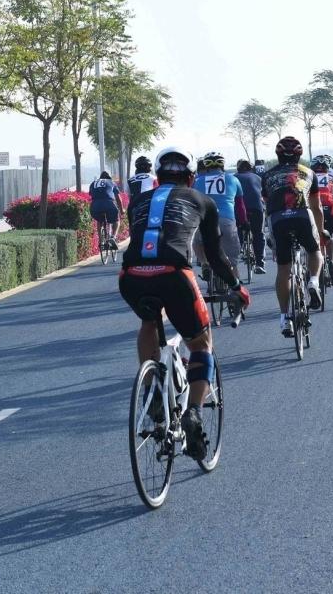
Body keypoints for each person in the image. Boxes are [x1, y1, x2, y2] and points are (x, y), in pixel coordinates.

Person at [119, 147, 250, 459]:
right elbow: (215, 256)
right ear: (191, 178)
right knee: (202, 344)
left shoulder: (138, 201)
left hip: (131, 276)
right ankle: (193, 412)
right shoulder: (202, 201)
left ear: (157, 176)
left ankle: (151, 389)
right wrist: (236, 287)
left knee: (149, 321)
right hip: (174, 275)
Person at [261, 136, 325, 336]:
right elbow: (317, 207)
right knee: (314, 251)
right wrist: (321, 231)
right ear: (299, 155)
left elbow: (267, 205)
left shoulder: (267, 175)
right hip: (302, 216)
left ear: (278, 154)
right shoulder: (309, 173)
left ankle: (284, 317)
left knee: (283, 269)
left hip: (278, 219)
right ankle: (313, 281)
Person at [192, 152, 245, 282]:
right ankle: (235, 287)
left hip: (205, 220)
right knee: (232, 263)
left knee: (197, 242)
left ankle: (204, 263)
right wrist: (244, 222)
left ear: (206, 166)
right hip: (227, 221)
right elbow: (240, 206)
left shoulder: (197, 181)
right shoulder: (233, 179)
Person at [311, 155, 333, 286]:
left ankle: (317, 266)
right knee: (329, 237)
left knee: (313, 241)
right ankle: (332, 261)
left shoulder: (307, 178)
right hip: (330, 211)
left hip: (314, 210)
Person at [235, 159, 266, 274]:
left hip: (239, 209)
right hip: (256, 208)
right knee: (258, 234)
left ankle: (239, 249)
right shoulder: (258, 178)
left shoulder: (234, 177)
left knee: (237, 230)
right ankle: (260, 263)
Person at [89, 171, 124, 249]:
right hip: (109, 204)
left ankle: (101, 241)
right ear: (109, 178)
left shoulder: (93, 183)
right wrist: (122, 210)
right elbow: (118, 198)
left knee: (99, 220)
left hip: (95, 206)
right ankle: (113, 237)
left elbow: (91, 195)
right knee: (117, 220)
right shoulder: (111, 182)